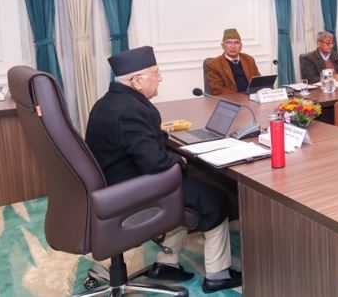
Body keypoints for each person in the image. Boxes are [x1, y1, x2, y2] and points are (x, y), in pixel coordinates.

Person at [85, 46, 241, 293]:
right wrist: (179, 160)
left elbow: (135, 144)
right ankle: (218, 274)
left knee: (192, 190)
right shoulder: (131, 111)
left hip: (114, 185)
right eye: (155, 73)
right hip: (132, 192)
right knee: (214, 198)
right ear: (137, 81)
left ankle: (166, 264)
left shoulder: (108, 103)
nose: (160, 78)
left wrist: (160, 137)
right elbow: (154, 162)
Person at [205, 28, 260, 95]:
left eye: (236, 43)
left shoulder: (249, 59)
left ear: (241, 46)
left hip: (252, 97)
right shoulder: (213, 65)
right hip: (231, 99)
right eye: (228, 42)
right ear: (223, 46)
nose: (233, 46)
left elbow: (258, 81)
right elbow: (218, 89)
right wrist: (241, 97)